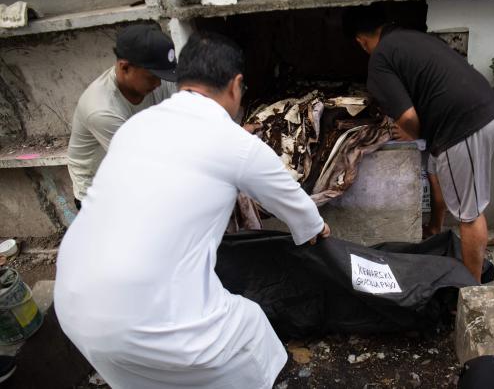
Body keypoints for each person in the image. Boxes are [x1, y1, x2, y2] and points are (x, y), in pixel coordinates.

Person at [54, 33, 330, 389]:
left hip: (74, 311)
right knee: (251, 327)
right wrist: (317, 231)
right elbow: (298, 208)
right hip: (147, 323)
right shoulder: (237, 144)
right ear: (236, 86)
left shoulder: (135, 127)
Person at [343, 5, 494, 282]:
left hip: (460, 124)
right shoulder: (410, 37)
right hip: (482, 108)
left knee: (470, 213)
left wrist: (410, 133)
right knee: (436, 169)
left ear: (360, 40)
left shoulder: (379, 59)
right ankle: (435, 227)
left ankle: (473, 292)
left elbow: (408, 117)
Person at [66, 24, 177, 210]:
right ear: (124, 67)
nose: (159, 83)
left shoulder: (156, 78)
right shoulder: (102, 110)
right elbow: (141, 168)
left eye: (163, 75)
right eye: (152, 77)